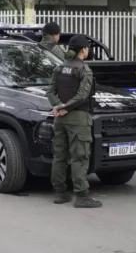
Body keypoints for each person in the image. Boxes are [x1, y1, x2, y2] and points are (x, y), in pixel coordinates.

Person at [46, 34, 102, 208]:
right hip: (78, 118)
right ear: (83, 50)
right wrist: (66, 107)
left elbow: (50, 91)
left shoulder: (59, 68)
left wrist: (58, 106)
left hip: (60, 119)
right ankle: (82, 195)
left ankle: (60, 192)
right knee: (80, 157)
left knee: (60, 156)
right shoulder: (84, 69)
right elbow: (82, 96)